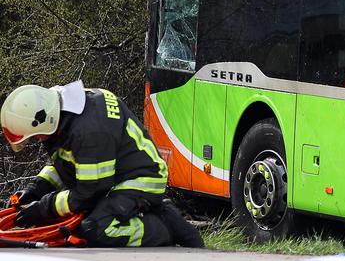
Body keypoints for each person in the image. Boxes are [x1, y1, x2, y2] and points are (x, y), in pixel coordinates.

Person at [3, 81, 203, 248]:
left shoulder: (88, 131)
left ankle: (164, 227)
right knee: (73, 219)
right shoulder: (67, 111)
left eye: (36, 135)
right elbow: (65, 161)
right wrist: (36, 189)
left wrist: (43, 208)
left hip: (142, 179)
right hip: (114, 179)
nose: (37, 139)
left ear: (44, 119)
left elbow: (88, 193)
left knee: (96, 229)